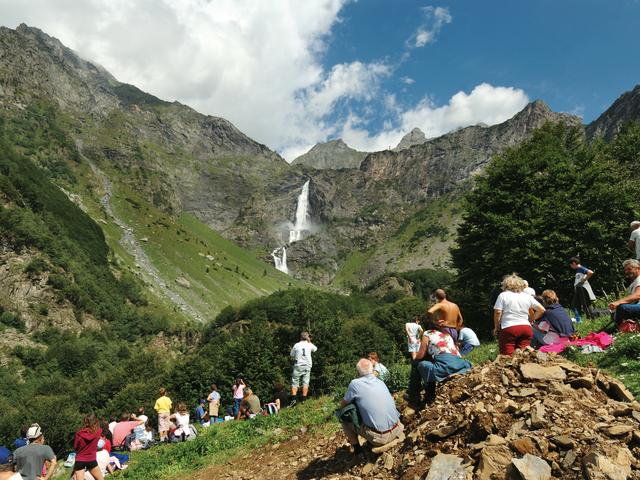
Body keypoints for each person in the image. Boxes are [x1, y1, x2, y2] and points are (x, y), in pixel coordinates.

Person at [339, 358, 404, 454]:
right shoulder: (380, 381)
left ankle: (358, 451)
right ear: (372, 369)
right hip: (398, 428)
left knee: (343, 418)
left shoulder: (355, 384)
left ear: (357, 372)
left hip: (381, 438)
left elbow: (343, 404)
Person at [407, 319, 472, 408]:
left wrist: (415, 357)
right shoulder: (446, 334)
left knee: (417, 364)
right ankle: (424, 395)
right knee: (431, 361)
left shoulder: (427, 333)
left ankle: (415, 398)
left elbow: (421, 355)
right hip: (459, 363)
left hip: (445, 366)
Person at [493, 273, 545, 355]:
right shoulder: (526, 296)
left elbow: (498, 312)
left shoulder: (503, 295)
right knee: (523, 355)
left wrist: (496, 327)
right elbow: (541, 310)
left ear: (505, 285)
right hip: (526, 328)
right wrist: (531, 319)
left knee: (507, 356)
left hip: (508, 327)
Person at [72, 414, 104, 480]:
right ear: (96, 421)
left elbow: (75, 447)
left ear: (85, 422)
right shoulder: (98, 431)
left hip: (80, 460)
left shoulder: (79, 433)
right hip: (91, 459)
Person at [609, 259, 640, 326]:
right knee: (618, 308)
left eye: (629, 269)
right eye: (625, 270)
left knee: (622, 307)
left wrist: (618, 302)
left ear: (638, 268)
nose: (627, 272)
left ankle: (617, 328)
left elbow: (638, 295)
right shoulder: (635, 281)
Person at [289, 332, 317, 405]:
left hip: (298, 365)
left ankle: (294, 400)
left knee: (294, 382)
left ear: (300, 337)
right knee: (305, 382)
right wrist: (309, 341)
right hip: (307, 365)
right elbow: (315, 349)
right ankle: (303, 400)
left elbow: (291, 354)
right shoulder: (309, 344)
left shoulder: (297, 345)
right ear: (307, 337)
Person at [569, 257, 596, 322]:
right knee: (574, 305)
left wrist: (584, 280)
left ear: (574, 263)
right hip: (579, 288)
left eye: (571, 265)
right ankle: (578, 319)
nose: (571, 267)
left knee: (586, 304)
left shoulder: (581, 268)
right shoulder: (578, 270)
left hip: (582, 288)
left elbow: (590, 272)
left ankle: (591, 318)